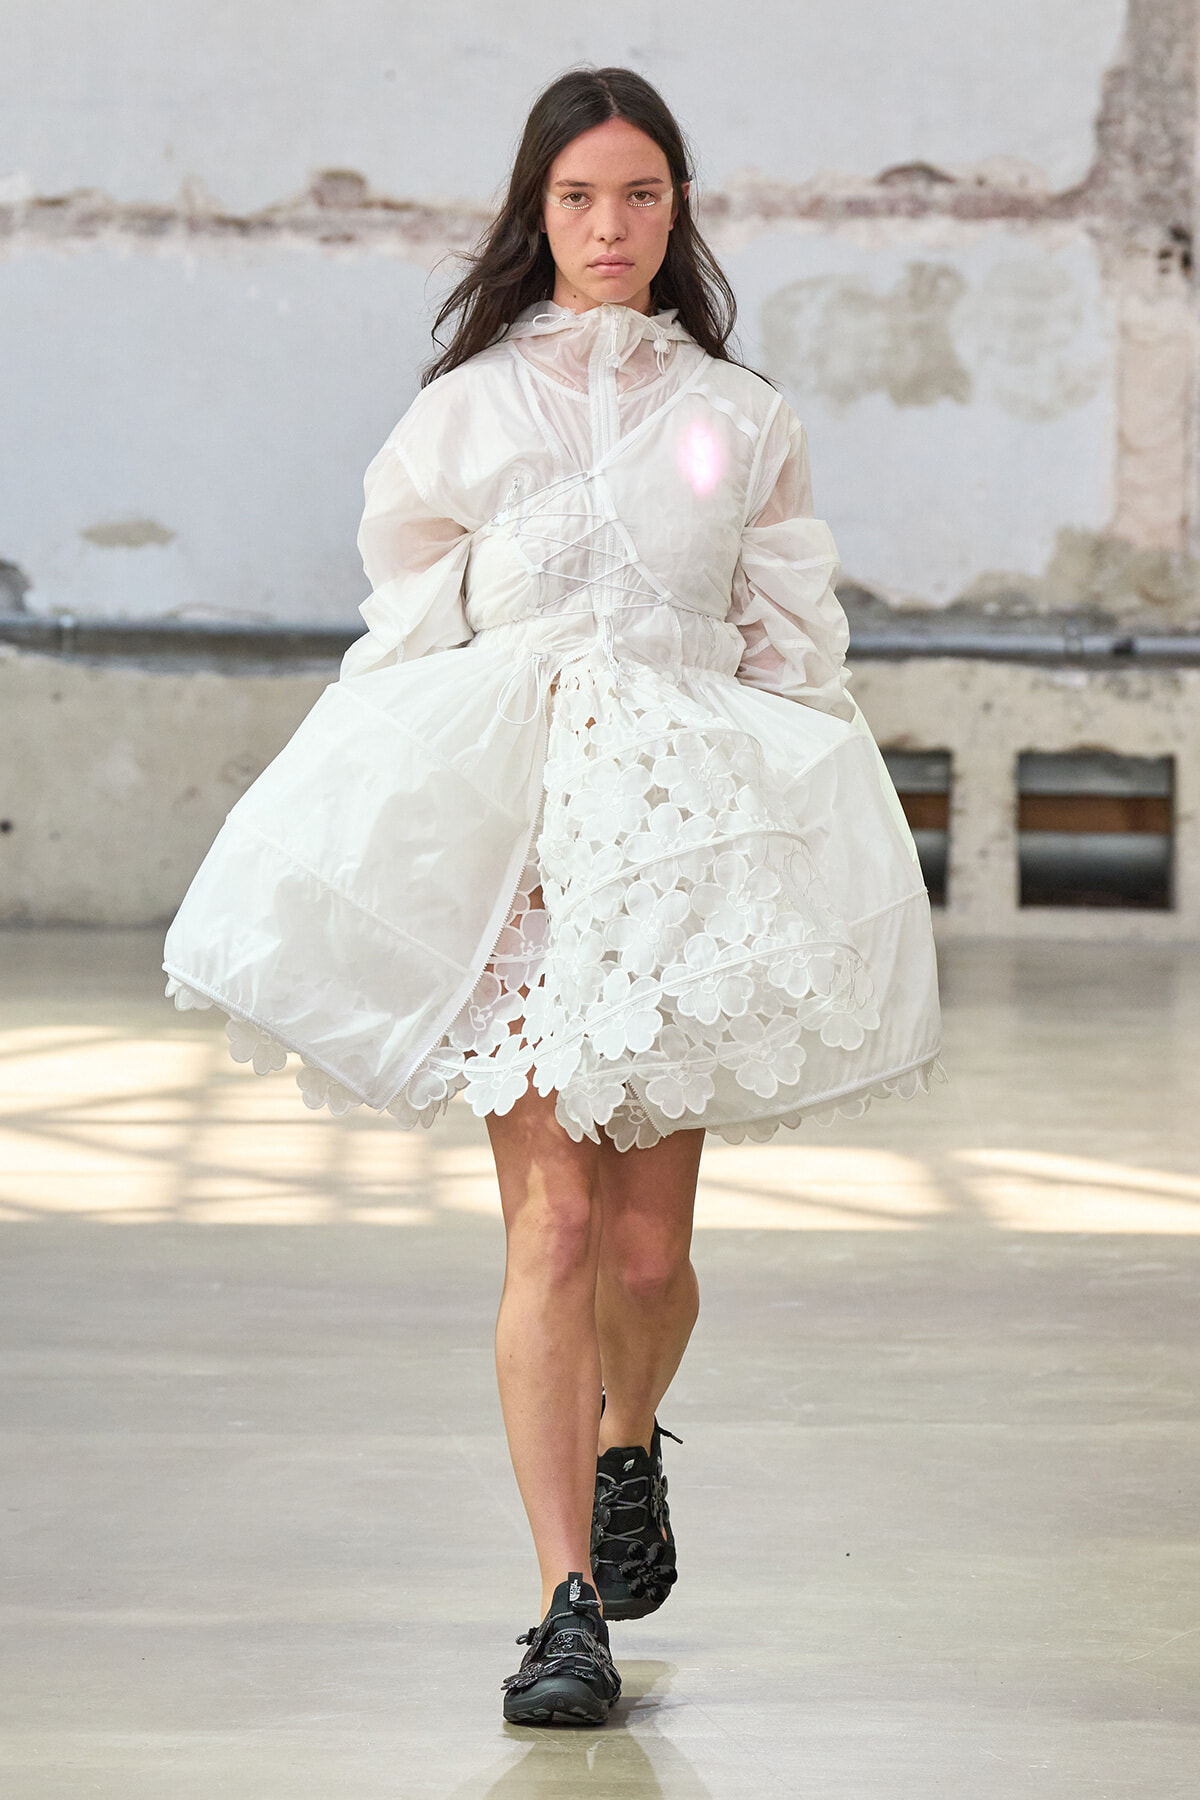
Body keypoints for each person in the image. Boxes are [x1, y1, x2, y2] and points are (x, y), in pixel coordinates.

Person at [163, 65, 942, 1727]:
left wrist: (795, 839)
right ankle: (563, 1605)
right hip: (522, 853)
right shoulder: (464, 413)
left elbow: (787, 645)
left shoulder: (736, 416)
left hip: (674, 855)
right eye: (579, 197)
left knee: (647, 1261)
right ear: (538, 210)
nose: (609, 226)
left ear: (677, 212)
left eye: (640, 195)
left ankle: (627, 1441)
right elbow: (407, 637)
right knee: (559, 1229)